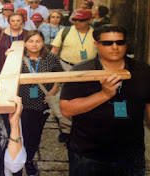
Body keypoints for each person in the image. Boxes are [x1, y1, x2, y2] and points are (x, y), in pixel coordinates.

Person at [60, 24, 150, 176]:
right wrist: (104, 94)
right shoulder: (82, 71)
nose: (115, 47)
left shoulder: (143, 70)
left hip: (131, 154)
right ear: (96, 44)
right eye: (108, 43)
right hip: (88, 153)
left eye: (120, 42)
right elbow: (67, 109)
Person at [15, 30, 64, 176]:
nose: (34, 44)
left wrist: (53, 91)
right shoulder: (18, 57)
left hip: (41, 102)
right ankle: (17, 161)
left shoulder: (50, 58)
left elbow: (60, 75)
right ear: (25, 42)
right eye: (31, 41)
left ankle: (29, 160)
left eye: (38, 41)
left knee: (35, 134)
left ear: (43, 42)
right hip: (22, 101)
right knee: (21, 132)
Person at [51, 9, 97, 143]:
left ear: (90, 20)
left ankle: (83, 128)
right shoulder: (65, 31)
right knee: (65, 97)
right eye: (75, 20)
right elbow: (54, 50)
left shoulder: (96, 34)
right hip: (67, 67)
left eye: (81, 20)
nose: (77, 22)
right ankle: (65, 130)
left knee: (87, 98)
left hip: (89, 70)